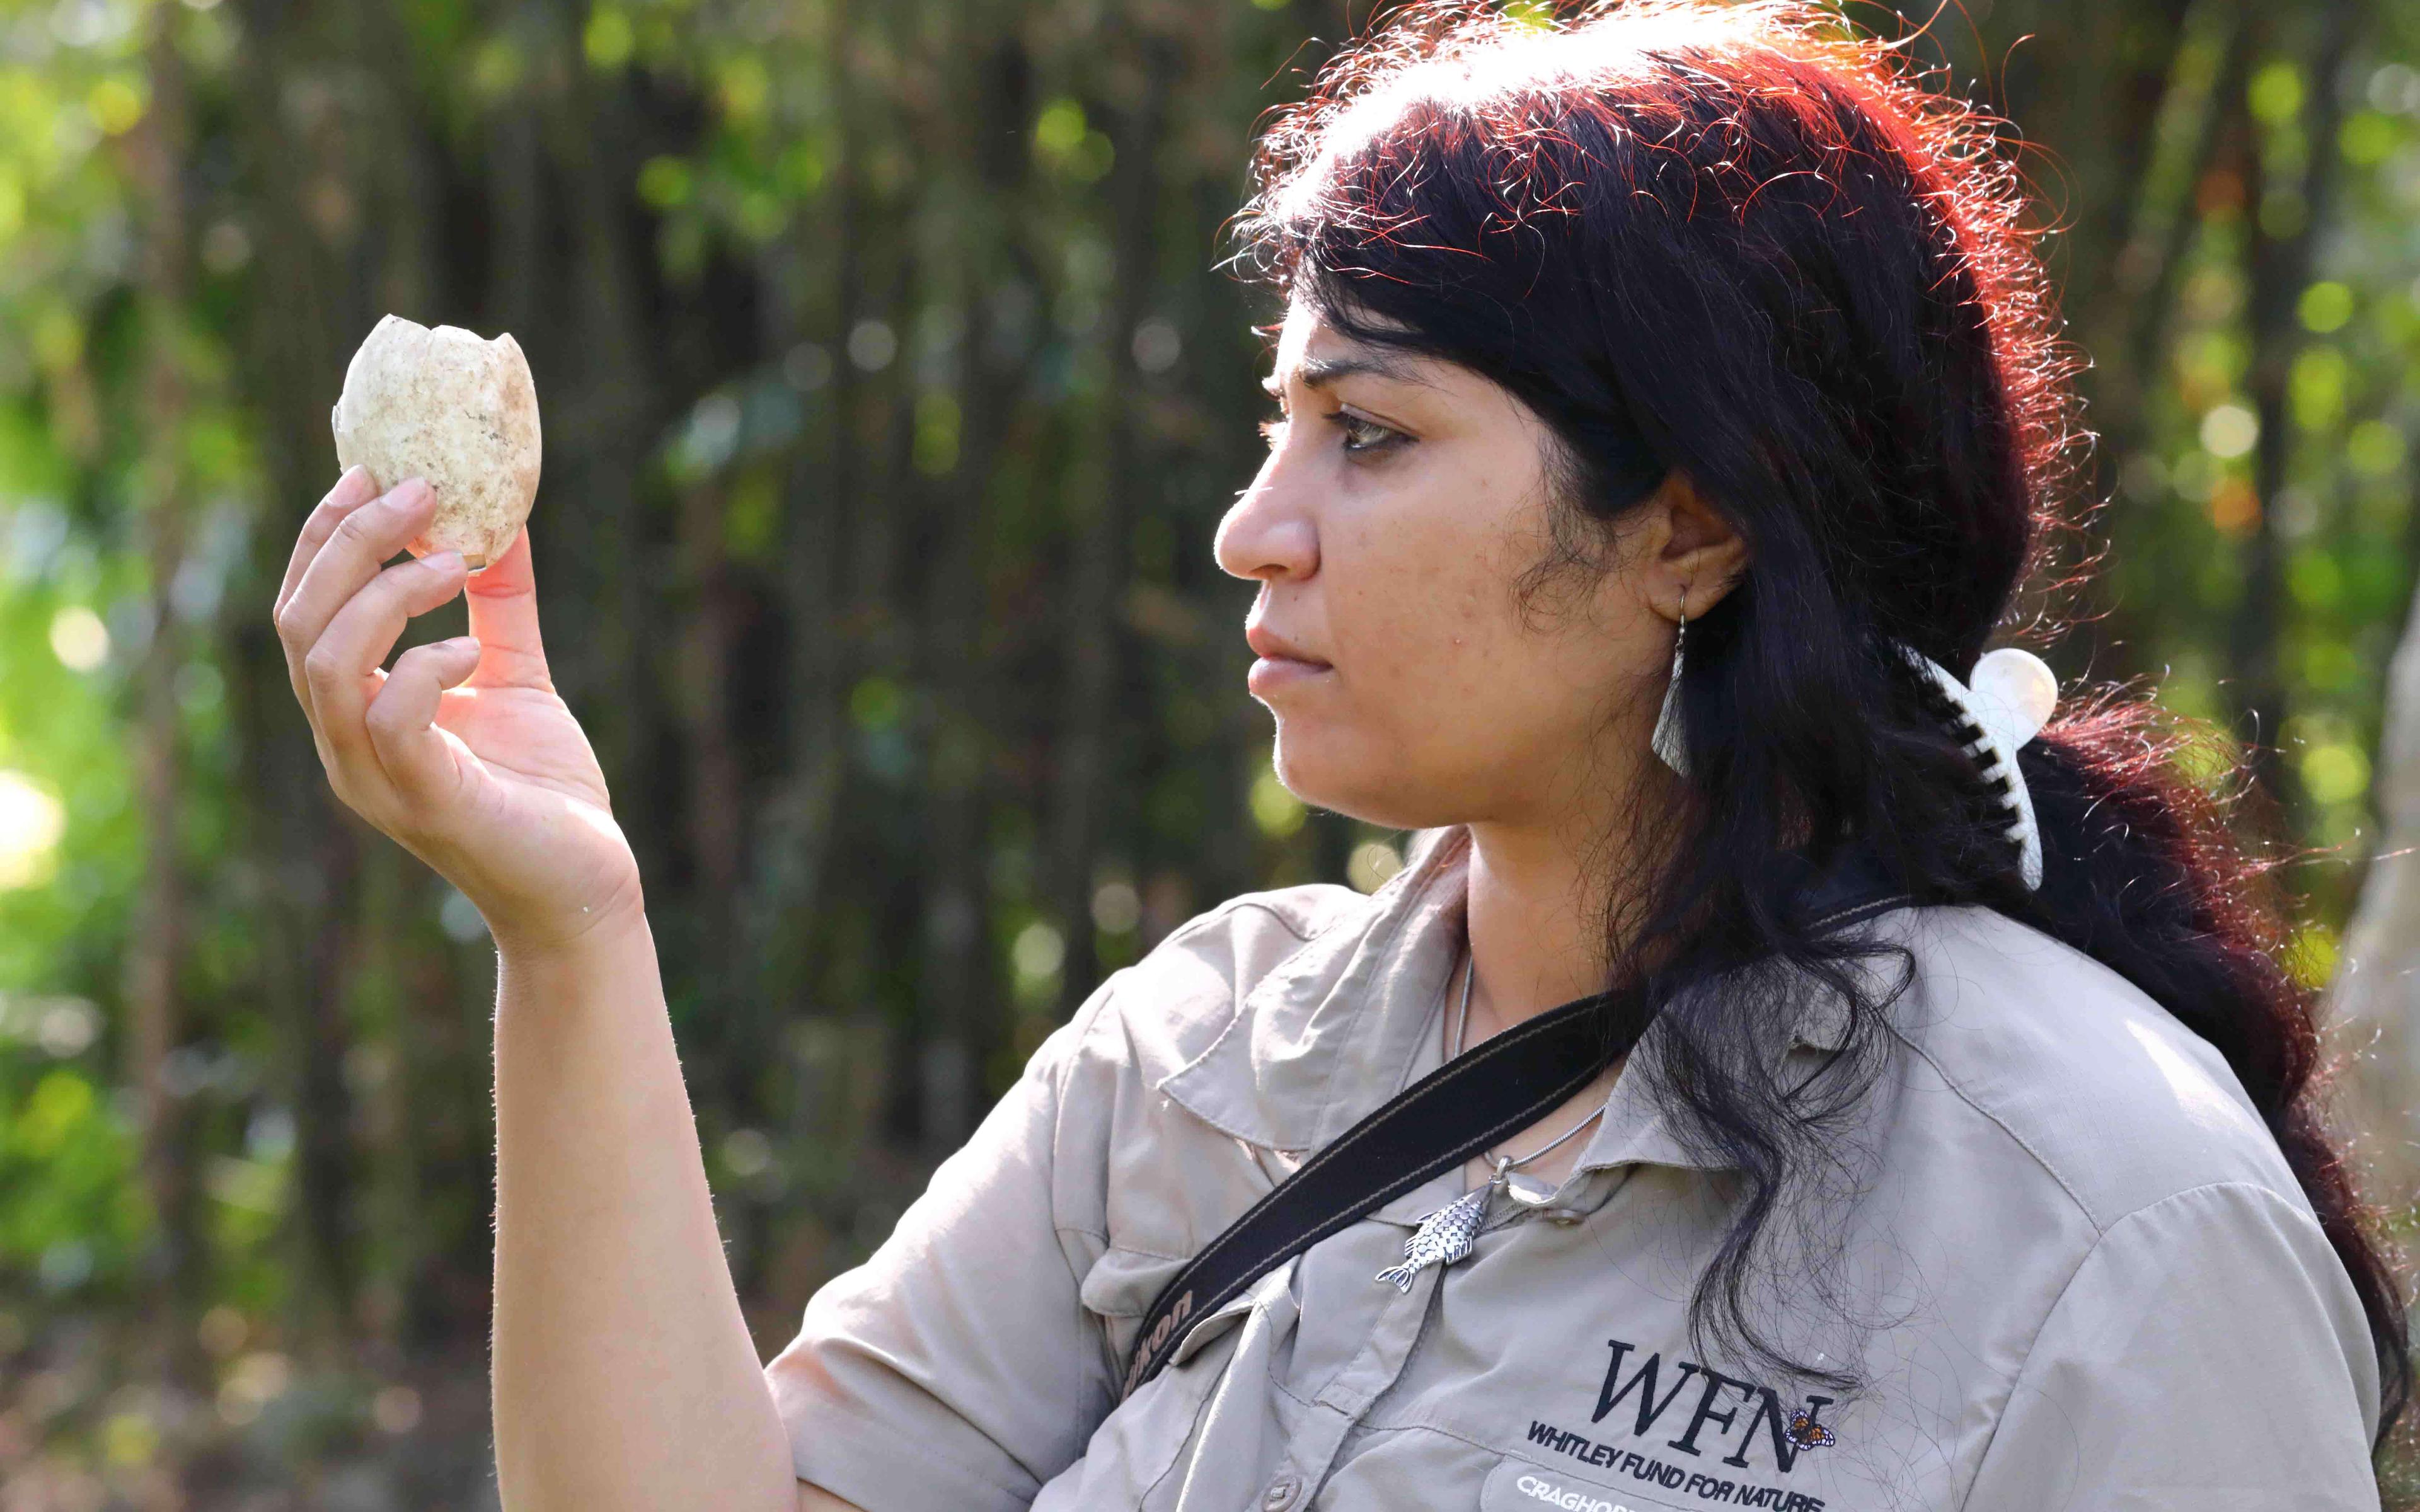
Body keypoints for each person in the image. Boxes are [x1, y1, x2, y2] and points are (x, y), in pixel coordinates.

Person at [268, 1, 2411, 1507]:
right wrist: (572, 932)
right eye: (1278, 423)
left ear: (1690, 527)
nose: (1251, 528)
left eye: (1370, 436)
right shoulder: (1200, 1061)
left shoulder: (2102, 1221)